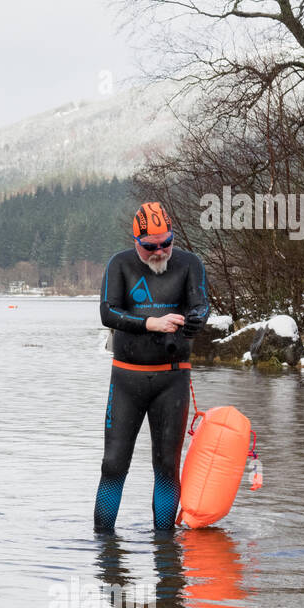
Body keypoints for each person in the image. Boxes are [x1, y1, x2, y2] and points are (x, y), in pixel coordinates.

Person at [96, 202, 208, 532]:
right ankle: (104, 550)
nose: (159, 252)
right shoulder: (120, 264)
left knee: (166, 467)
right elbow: (108, 313)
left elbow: (201, 304)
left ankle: (166, 551)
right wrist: (150, 324)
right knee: (113, 464)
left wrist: (197, 320)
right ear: (136, 242)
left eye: (166, 244)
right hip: (127, 380)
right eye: (150, 247)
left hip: (171, 381)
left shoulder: (189, 263)